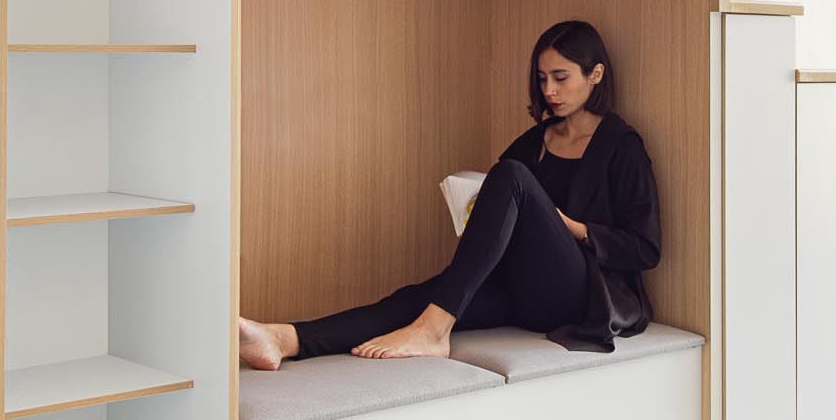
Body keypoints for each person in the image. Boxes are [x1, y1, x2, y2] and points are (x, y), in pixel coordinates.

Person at [238, 18, 661, 369]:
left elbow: (645, 249)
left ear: (596, 75)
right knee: (417, 299)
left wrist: (571, 227)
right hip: (522, 289)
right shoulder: (535, 141)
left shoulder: (621, 147)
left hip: (579, 294)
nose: (549, 90)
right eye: (542, 78)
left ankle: (434, 331)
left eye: (561, 78)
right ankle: (284, 339)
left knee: (510, 176)